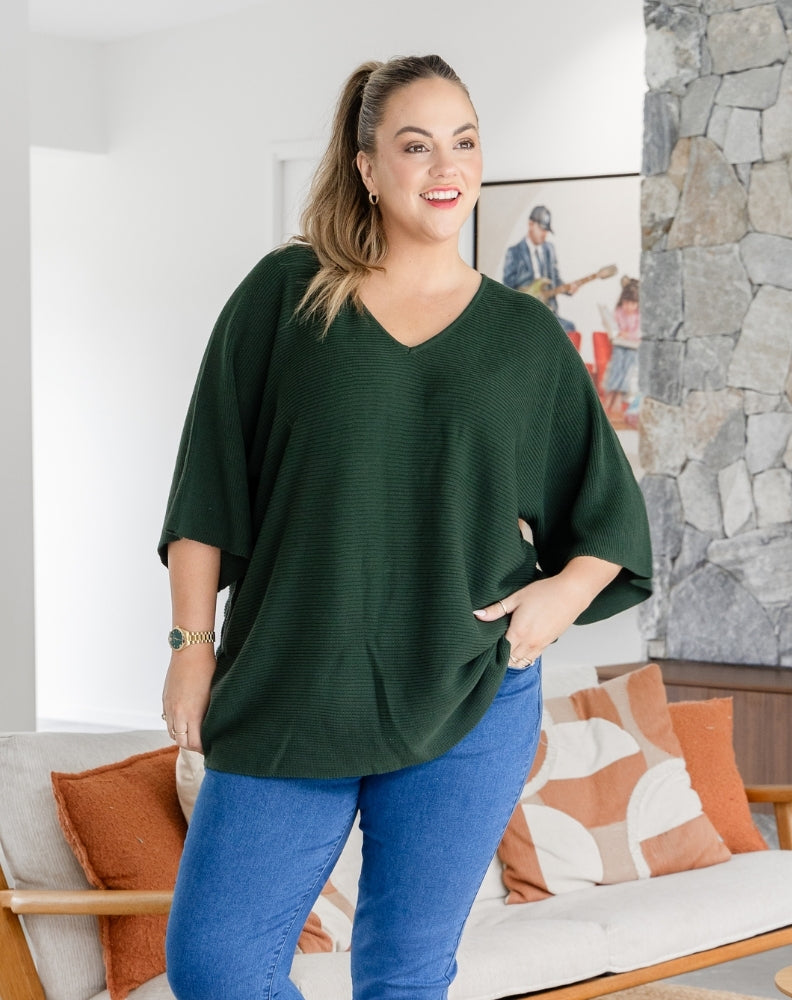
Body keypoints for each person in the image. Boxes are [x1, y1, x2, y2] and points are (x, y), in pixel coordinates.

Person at [159, 54, 652, 1000]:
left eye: (464, 142)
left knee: (404, 976)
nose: (446, 166)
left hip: (468, 691)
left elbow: (608, 517)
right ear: (367, 166)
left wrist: (558, 598)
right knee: (216, 966)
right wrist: (191, 645)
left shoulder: (522, 337)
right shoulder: (287, 296)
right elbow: (207, 483)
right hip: (290, 684)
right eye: (416, 145)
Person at [502, 204, 580, 332]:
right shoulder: (514, 252)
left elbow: (555, 279)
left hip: (549, 313)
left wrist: (568, 289)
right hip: (524, 316)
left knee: (570, 329)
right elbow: (506, 289)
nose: (544, 234)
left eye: (546, 230)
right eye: (542, 229)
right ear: (531, 224)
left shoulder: (549, 249)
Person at [603, 275, 641, 423]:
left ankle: (618, 396)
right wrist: (618, 333)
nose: (628, 307)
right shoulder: (619, 312)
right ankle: (611, 395)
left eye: (632, 303)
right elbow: (614, 328)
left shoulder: (639, 315)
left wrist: (628, 335)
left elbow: (639, 333)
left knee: (628, 365)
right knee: (617, 364)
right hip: (620, 346)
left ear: (637, 304)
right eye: (625, 303)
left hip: (633, 348)